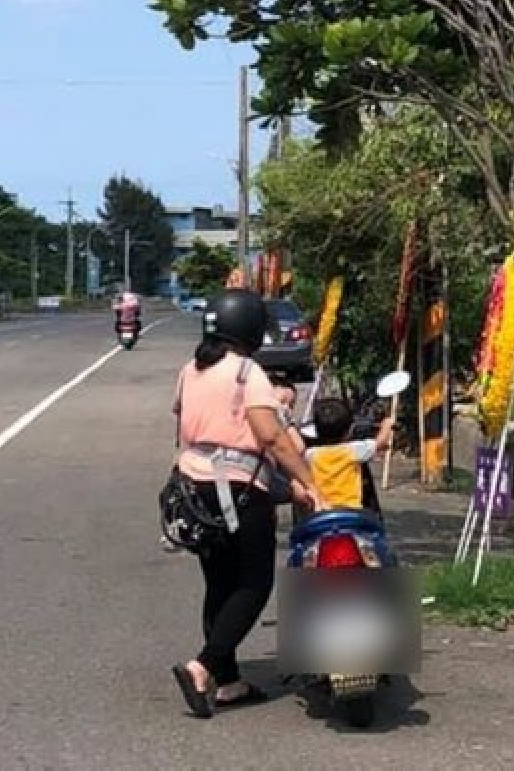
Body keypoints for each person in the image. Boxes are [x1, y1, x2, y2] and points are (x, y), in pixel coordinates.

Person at [170, 288, 328, 719]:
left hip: (192, 488)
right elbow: (272, 436)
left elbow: (182, 422)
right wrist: (306, 481)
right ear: (252, 330)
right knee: (254, 584)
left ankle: (229, 681)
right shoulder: (246, 372)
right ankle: (203, 665)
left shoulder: (190, 370)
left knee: (219, 583)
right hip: (238, 492)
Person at [305, 397, 394, 512]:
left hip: (322, 510)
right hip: (351, 509)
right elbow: (380, 442)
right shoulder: (353, 450)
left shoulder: (311, 454)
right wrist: (386, 425)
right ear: (349, 430)